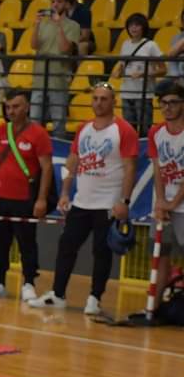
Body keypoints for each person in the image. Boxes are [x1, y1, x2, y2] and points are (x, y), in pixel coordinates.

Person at [29, 84, 136, 314]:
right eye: (95, 98)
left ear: (113, 102)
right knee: (67, 244)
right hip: (82, 201)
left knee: (101, 251)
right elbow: (72, 161)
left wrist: (124, 202)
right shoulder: (84, 128)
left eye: (104, 99)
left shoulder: (124, 130)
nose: (98, 103)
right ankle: (58, 295)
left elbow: (129, 168)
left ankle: (95, 298)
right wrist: (65, 192)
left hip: (108, 202)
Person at [0, 88, 53, 301]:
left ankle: (28, 282)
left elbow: (46, 168)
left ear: (27, 107)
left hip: (25, 198)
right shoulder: (2, 131)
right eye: (8, 107)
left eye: (16, 106)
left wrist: (41, 199)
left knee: (27, 242)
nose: (11, 111)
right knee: (1, 241)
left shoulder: (39, 133)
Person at [149, 80, 184, 311]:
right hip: (165, 204)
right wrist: (161, 201)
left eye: (173, 102)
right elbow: (157, 169)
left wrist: (174, 202)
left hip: (182, 205)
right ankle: (155, 306)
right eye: (163, 103)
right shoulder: (155, 132)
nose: (167, 108)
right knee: (160, 255)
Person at [31, 0, 79, 138]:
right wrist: (36, 25)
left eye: (59, 1)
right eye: (53, 1)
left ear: (66, 4)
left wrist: (59, 25)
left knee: (58, 122)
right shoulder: (43, 24)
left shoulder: (73, 26)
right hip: (39, 78)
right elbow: (34, 45)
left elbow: (66, 48)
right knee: (34, 120)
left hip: (59, 79)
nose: (55, 4)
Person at [111, 13, 165, 138]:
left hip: (144, 93)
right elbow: (122, 64)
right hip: (127, 92)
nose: (133, 28)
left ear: (143, 27)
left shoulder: (151, 45)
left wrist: (144, 74)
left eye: (137, 25)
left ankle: (145, 154)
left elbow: (163, 69)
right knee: (129, 129)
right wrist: (118, 71)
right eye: (131, 25)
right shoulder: (125, 44)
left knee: (145, 129)